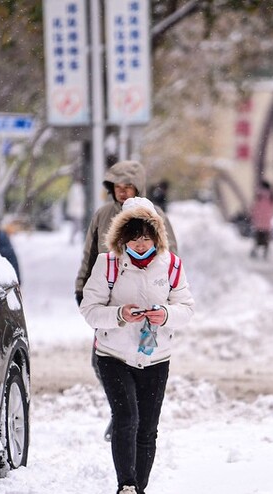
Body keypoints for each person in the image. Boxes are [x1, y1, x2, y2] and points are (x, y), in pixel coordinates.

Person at [79, 197, 194, 494]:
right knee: (126, 418)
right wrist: (119, 315)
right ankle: (126, 489)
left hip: (157, 357)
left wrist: (166, 315)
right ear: (121, 237)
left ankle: (139, 493)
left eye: (146, 236)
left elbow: (187, 308)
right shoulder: (109, 264)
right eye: (133, 236)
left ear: (156, 236)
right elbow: (89, 310)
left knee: (147, 427)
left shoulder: (171, 265)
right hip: (114, 355)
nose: (140, 243)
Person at [75, 160, 178, 440]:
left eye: (128, 187)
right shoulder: (103, 215)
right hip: (110, 304)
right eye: (117, 187)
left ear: (138, 187)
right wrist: (81, 288)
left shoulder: (156, 217)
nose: (122, 193)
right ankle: (122, 414)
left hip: (149, 308)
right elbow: (90, 254)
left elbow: (171, 258)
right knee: (103, 360)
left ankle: (134, 419)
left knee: (146, 362)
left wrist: (167, 302)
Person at [249, 180, 273, 259]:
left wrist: (253, 217)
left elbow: (254, 208)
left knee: (258, 238)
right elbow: (272, 209)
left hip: (259, 221)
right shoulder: (271, 197)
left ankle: (255, 251)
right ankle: (265, 253)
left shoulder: (259, 196)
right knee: (266, 239)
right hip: (267, 222)